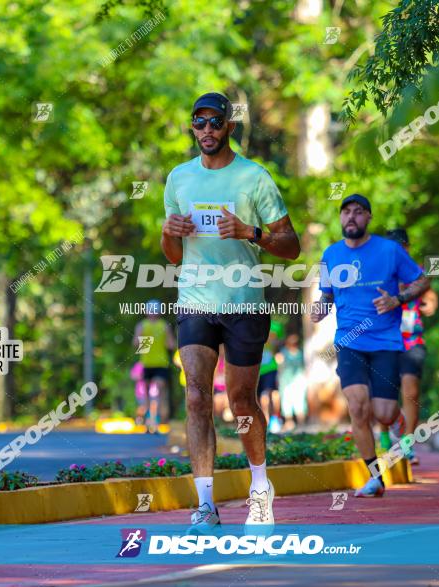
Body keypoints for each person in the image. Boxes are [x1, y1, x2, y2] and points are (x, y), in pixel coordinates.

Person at [160, 92, 300, 530]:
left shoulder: (254, 178)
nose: (206, 131)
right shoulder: (178, 179)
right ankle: (205, 503)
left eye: (214, 123)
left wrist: (251, 231)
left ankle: (260, 486)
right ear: (192, 128)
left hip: (243, 303)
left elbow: (291, 248)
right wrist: (170, 231)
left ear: (229, 128)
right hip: (195, 301)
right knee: (197, 397)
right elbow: (173, 256)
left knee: (241, 400)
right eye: (198, 123)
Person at [312, 193, 430, 498]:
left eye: (359, 212)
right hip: (349, 341)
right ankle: (374, 475)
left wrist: (398, 299)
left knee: (384, 413)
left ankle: (396, 420)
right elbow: (326, 296)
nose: (351, 217)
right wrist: (320, 308)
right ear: (340, 218)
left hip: (386, 342)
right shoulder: (330, 254)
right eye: (346, 212)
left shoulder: (389, 250)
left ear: (368, 218)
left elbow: (422, 281)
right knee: (357, 406)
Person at [384, 228, 438, 464]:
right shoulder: (380, 272)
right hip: (383, 339)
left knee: (411, 390)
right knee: (383, 394)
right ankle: (385, 436)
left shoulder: (417, 272)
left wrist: (431, 304)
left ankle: (407, 444)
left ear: (407, 248)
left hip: (411, 338)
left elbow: (430, 295)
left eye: (401, 247)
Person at [133, 299, 176, 432]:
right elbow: (171, 345)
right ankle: (150, 422)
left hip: (159, 364)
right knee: (152, 395)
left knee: (154, 393)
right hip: (148, 364)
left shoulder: (156, 325)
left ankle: (154, 422)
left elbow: (170, 344)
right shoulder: (147, 325)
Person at [277, 333, 307, 431]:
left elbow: (280, 367)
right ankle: (294, 423)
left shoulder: (296, 353)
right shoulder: (298, 353)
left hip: (295, 380)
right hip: (289, 380)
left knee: (297, 401)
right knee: (289, 401)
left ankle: (297, 423)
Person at [258, 323, 283, 433]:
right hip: (256, 369)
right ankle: (265, 421)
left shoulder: (276, 327)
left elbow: (282, 342)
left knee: (269, 394)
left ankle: (272, 420)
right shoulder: (250, 323)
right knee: (261, 396)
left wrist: (274, 343)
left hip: (271, 368)